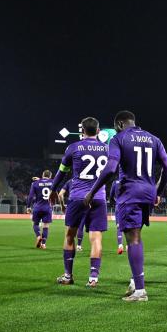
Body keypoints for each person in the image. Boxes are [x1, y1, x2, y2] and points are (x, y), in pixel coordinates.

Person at [84, 110, 167, 301]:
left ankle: (140, 290)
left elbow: (110, 168)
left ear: (121, 124)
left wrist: (92, 191)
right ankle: (134, 280)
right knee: (136, 236)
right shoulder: (154, 139)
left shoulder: (119, 138)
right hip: (147, 193)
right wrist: (159, 191)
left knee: (133, 239)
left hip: (130, 192)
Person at [50, 117, 109, 287]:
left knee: (70, 236)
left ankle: (68, 276)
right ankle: (93, 278)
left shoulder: (73, 148)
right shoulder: (106, 149)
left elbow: (61, 172)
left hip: (77, 197)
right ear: (98, 131)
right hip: (98, 197)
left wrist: (54, 189)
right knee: (96, 238)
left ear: (82, 131)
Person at [26, 170, 54, 249]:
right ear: (50, 176)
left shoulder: (35, 183)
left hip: (37, 207)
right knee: (46, 226)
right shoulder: (53, 182)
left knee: (35, 224)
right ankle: (43, 244)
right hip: (47, 207)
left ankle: (38, 236)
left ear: (42, 175)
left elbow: (30, 196)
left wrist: (28, 207)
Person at [58, 179, 85, 252]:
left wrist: (62, 206)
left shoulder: (70, 181)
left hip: (72, 204)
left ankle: (68, 250)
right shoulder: (88, 180)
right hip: (84, 203)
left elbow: (60, 194)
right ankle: (79, 246)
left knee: (69, 229)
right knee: (81, 226)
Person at [109, 177, 125, 254]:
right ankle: (129, 246)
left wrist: (114, 202)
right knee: (130, 226)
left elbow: (111, 196)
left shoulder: (115, 183)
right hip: (129, 205)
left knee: (119, 226)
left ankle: (120, 246)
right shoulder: (130, 180)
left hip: (118, 205)